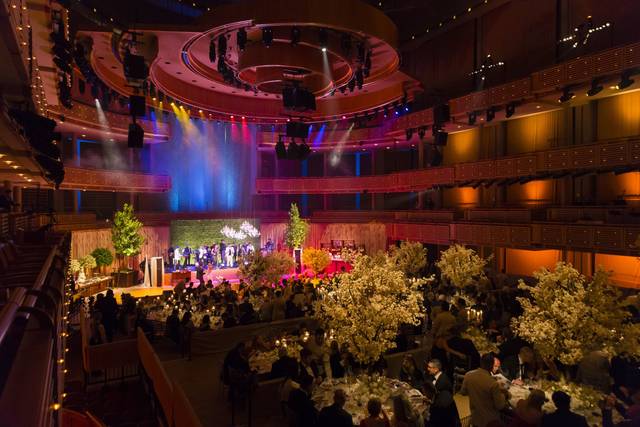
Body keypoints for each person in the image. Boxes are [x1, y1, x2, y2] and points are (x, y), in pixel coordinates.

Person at [460, 353, 508, 427]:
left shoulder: (468, 375)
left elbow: (463, 392)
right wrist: (504, 393)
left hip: (475, 417)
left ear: (481, 362)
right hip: (490, 421)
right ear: (491, 366)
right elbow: (500, 406)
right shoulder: (493, 383)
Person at [426, 359, 460, 427]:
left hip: (445, 412)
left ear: (436, 369)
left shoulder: (443, 382)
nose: (427, 369)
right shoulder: (432, 377)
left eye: (429, 367)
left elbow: (438, 399)